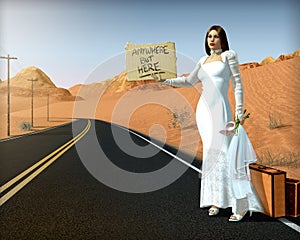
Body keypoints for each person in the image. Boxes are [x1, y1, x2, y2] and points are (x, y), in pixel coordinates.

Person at [153, 25, 263, 221]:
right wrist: (165, 80)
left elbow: (238, 84)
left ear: (222, 39)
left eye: (216, 36)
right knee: (211, 157)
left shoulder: (229, 56)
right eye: (209, 36)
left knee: (227, 154)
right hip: (203, 113)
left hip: (221, 112)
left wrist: (239, 112)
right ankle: (216, 201)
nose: (212, 40)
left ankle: (240, 206)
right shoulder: (203, 60)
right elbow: (188, 82)